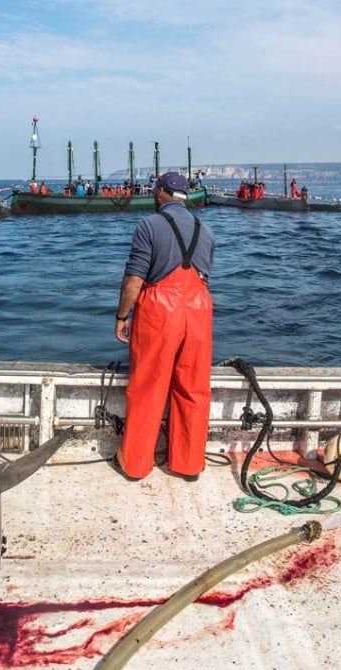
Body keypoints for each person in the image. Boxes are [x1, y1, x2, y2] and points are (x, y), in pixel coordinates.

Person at [114, 171, 216, 481]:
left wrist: (122, 317)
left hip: (160, 310)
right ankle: (188, 463)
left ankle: (135, 464)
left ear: (162, 192)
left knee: (148, 385)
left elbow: (134, 280)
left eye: (155, 190)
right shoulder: (206, 231)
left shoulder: (148, 226)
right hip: (199, 310)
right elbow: (203, 277)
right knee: (193, 387)